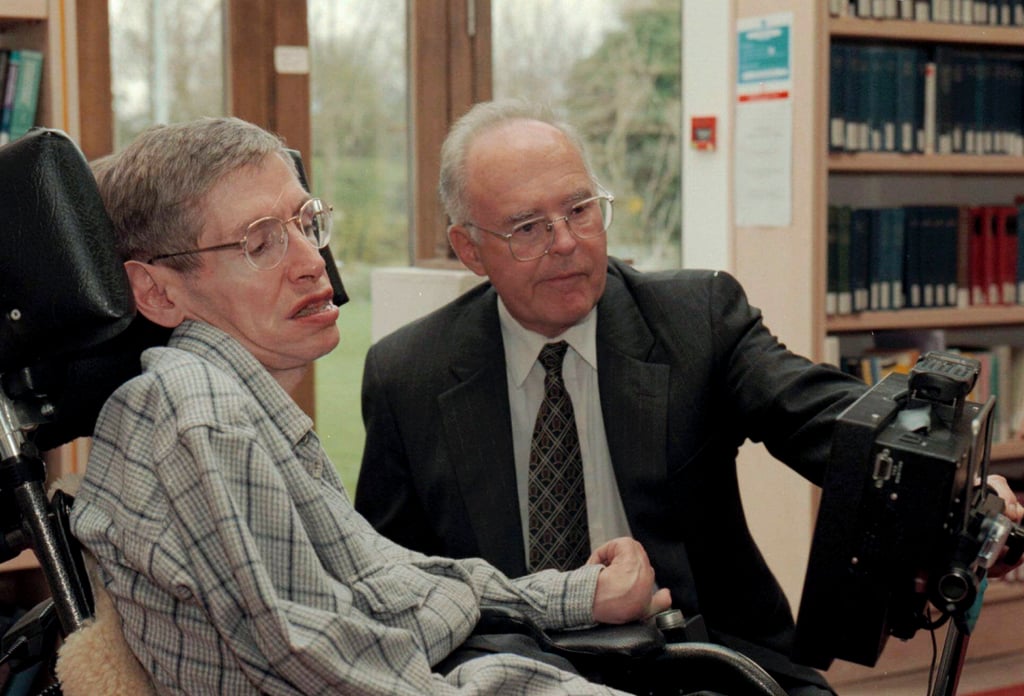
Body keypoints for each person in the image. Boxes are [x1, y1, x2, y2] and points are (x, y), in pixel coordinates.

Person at [353, 98, 1024, 696]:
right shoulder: (408, 375)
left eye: (580, 209)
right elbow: (391, 578)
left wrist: (946, 480)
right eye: (527, 226)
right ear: (470, 249)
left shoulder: (692, 318)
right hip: (512, 668)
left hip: (702, 656)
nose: (566, 243)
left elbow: (816, 413)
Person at [69, 115, 673, 695]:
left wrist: (570, 596)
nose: (312, 264)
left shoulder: (237, 409)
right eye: (261, 243)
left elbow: (385, 585)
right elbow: (329, 668)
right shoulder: (195, 414)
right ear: (157, 291)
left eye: (306, 225)